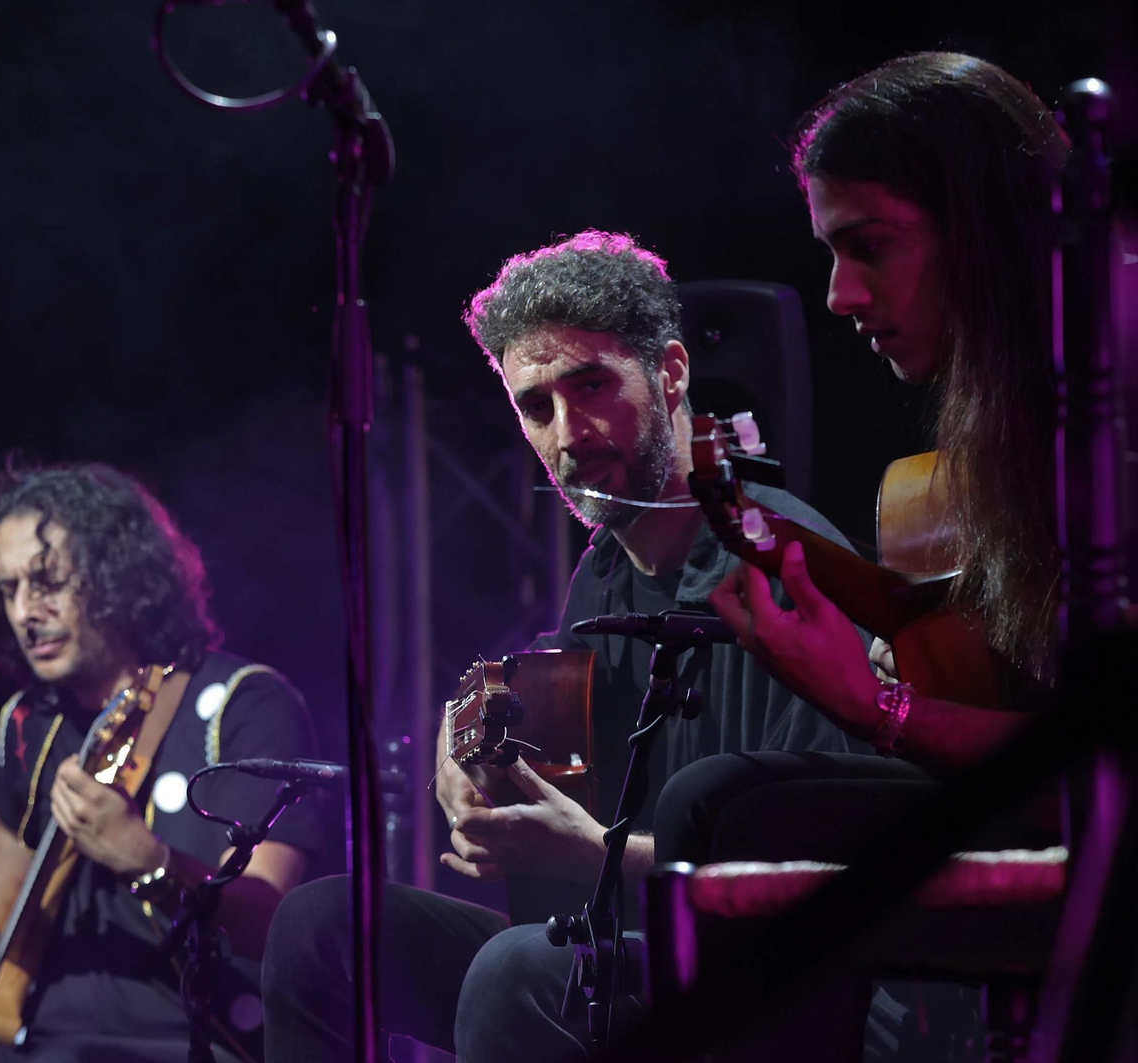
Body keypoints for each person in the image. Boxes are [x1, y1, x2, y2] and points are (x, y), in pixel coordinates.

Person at [260, 230, 863, 1063]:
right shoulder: (605, 571)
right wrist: (463, 735)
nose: (567, 433)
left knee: (519, 968)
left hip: (768, 992)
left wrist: (593, 855)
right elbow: (537, 688)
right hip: (630, 952)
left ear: (673, 372)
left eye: (592, 386)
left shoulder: (792, 571)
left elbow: (829, 875)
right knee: (323, 925)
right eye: (536, 406)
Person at [651, 51, 1069, 1059]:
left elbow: (1088, 771)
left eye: (869, 246)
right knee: (709, 795)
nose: (838, 294)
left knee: (762, 828)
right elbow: (967, 639)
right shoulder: (1003, 424)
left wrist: (875, 706)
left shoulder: (1096, 415)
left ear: (987, 229)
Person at [0, 461, 322, 1063]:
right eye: (8, 589)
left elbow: (268, 921)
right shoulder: (29, 721)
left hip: (189, 1047)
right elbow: (11, 842)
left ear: (115, 576)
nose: (24, 612)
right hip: (34, 1042)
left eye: (47, 582)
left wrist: (146, 858)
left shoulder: (246, 703)